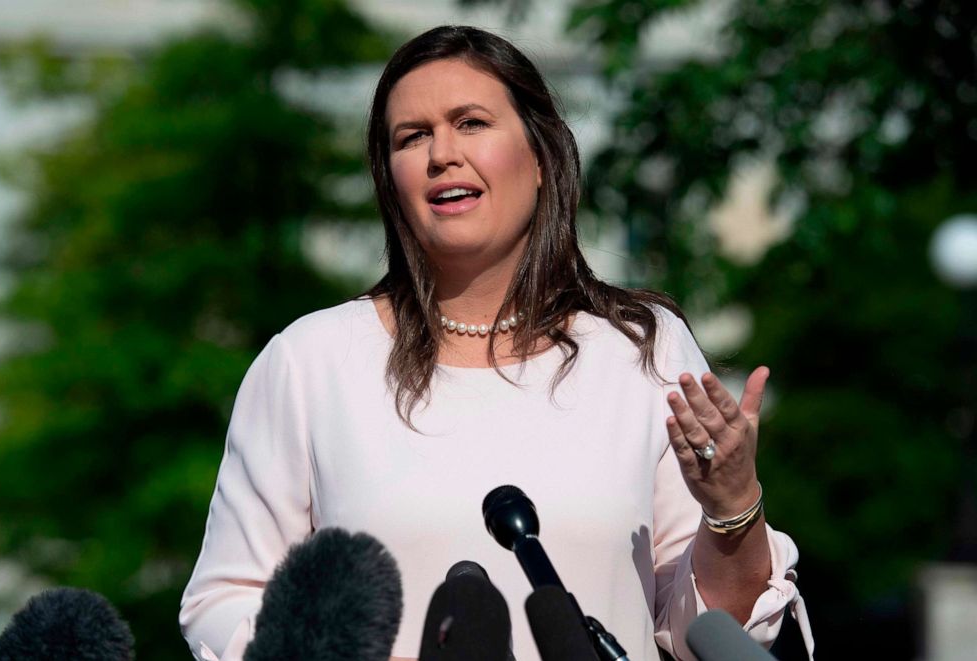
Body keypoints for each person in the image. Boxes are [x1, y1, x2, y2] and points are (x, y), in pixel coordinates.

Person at [179, 25, 813, 661]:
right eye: (412, 136)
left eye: (471, 123)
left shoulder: (642, 350)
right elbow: (224, 601)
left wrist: (733, 506)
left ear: (540, 158)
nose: (441, 154)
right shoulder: (309, 362)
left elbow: (712, 631)